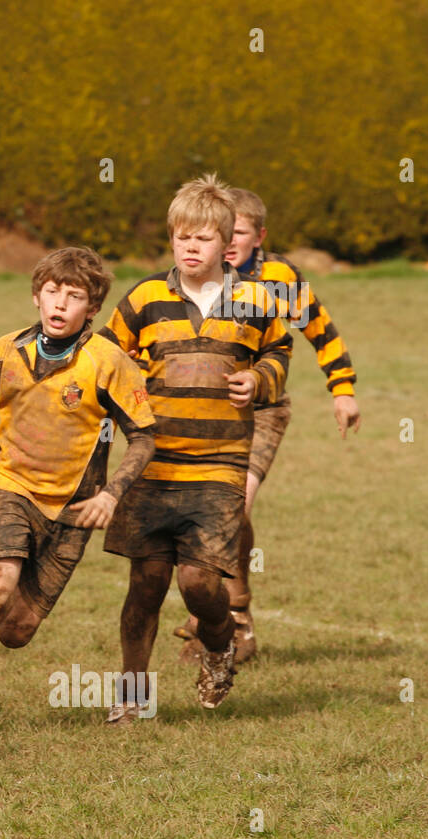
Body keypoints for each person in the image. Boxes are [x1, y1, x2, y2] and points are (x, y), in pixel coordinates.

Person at [0, 247, 156, 737]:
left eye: (74, 297)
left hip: (75, 507)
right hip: (13, 488)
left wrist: (111, 494)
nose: (60, 304)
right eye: (52, 292)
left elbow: (145, 436)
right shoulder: (9, 352)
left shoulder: (107, 362)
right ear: (35, 296)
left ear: (92, 309)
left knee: (16, 631)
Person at [98, 174, 291, 716]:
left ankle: (219, 641)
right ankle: (133, 698)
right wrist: (125, 375)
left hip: (219, 465)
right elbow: (106, 358)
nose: (189, 246)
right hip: (153, 463)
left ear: (226, 243)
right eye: (181, 236)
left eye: (201, 238)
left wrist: (259, 381)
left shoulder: (256, 299)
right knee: (147, 581)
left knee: (200, 581)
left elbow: (279, 353)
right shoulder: (144, 297)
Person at [174, 186, 361, 663]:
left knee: (233, 505)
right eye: (222, 232)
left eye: (237, 233)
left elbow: (320, 328)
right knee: (205, 511)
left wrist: (343, 391)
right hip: (205, 414)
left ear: (259, 235)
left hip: (263, 412)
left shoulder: (278, 277)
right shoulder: (196, 277)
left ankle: (234, 617)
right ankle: (216, 613)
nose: (228, 241)